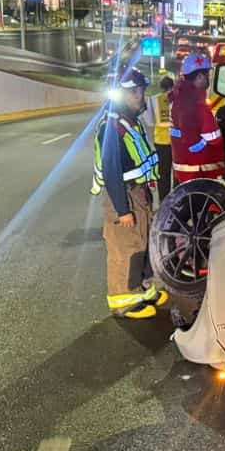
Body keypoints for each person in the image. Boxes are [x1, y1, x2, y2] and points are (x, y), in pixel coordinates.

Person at [92, 68, 167, 319]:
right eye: (137, 93)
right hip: (123, 196)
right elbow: (112, 171)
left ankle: (144, 289)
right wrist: (123, 210)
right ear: (124, 94)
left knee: (142, 242)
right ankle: (123, 300)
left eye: (142, 91)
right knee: (125, 247)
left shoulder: (129, 121)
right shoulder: (112, 126)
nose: (141, 97)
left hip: (139, 192)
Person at [169, 53, 225, 183]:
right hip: (200, 170)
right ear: (200, 76)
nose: (208, 79)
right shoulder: (197, 102)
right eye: (207, 75)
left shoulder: (179, 97)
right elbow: (213, 138)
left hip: (184, 168)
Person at [152, 73, 175, 198]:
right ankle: (178, 199)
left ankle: (164, 200)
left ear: (161, 87)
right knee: (177, 172)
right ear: (173, 86)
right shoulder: (179, 98)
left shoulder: (154, 99)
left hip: (161, 141)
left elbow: (149, 120)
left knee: (163, 172)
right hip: (177, 141)